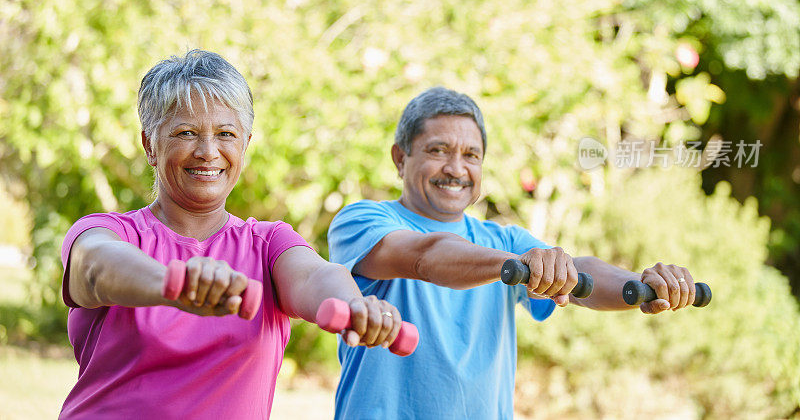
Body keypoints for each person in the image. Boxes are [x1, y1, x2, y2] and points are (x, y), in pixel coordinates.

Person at [59, 50, 406, 419]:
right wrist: (175, 285)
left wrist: (356, 307)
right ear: (149, 146)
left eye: (226, 134)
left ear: (244, 144)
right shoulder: (111, 233)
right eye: (186, 132)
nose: (208, 152)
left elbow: (315, 275)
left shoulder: (268, 244)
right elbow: (95, 267)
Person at [328, 87, 702, 420]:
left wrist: (642, 284)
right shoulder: (364, 220)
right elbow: (426, 257)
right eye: (437, 150)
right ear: (400, 158)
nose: (456, 168)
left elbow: (576, 275)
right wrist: (517, 264)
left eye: (471, 155)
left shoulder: (502, 239)